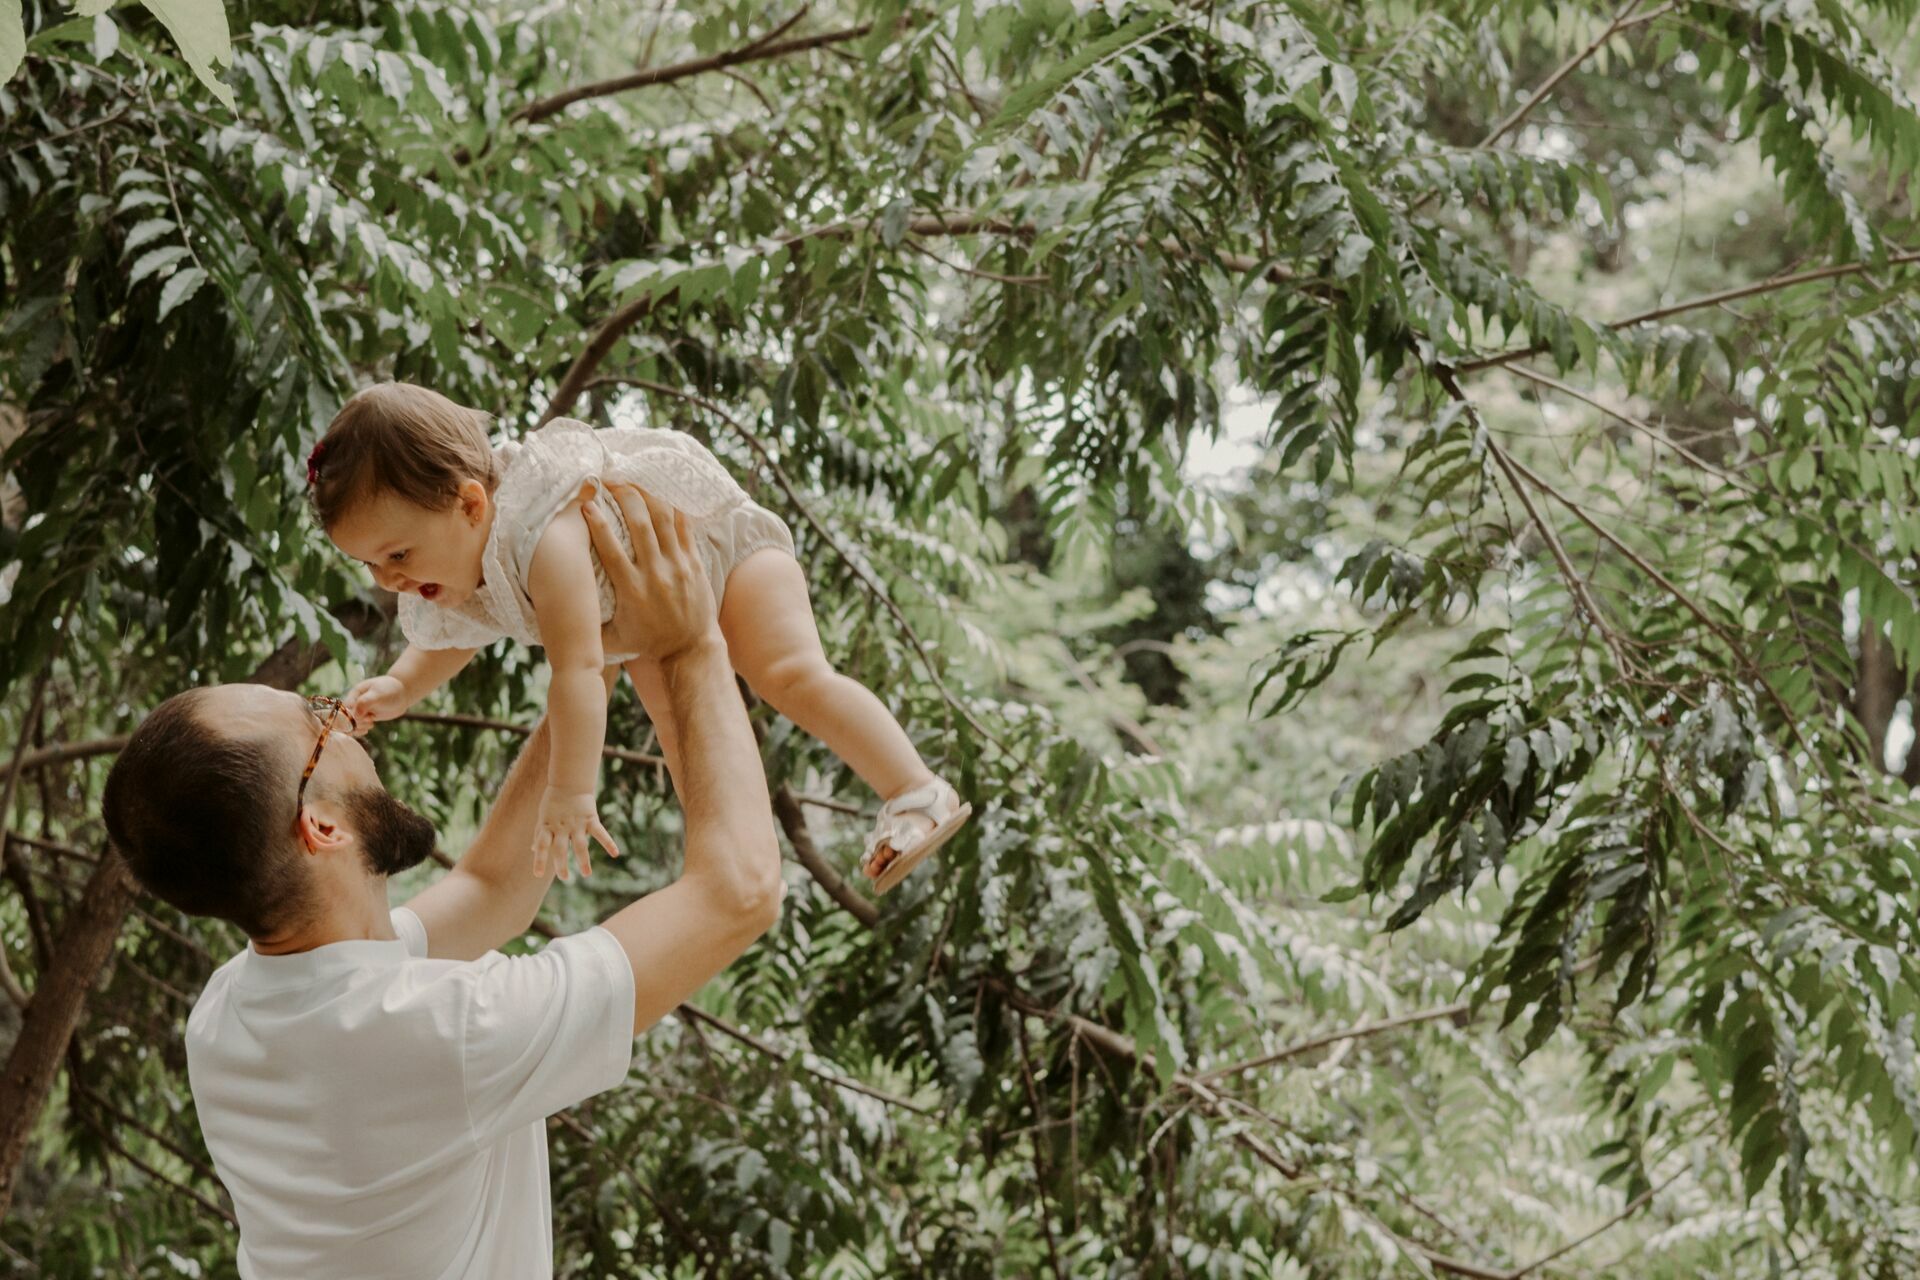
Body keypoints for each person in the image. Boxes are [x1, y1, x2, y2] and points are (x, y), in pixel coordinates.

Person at [101, 486, 781, 1279]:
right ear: (322, 826)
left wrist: (590, 653)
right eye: (321, 721)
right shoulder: (444, 1035)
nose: (348, 723)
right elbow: (740, 891)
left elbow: (492, 891)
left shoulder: (235, 1012)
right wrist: (694, 640)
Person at [305, 381, 968, 894]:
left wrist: (571, 791)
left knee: (789, 673)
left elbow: (577, 670)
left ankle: (916, 790)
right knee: (683, 735)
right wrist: (401, 685)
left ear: (472, 504)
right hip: (647, 619)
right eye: (369, 565)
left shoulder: (542, 536)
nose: (387, 579)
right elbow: (455, 636)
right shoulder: (460, 558)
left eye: (396, 555)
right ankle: (734, 863)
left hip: (719, 552)